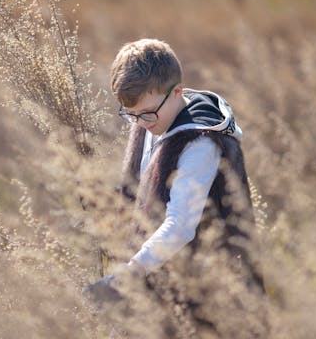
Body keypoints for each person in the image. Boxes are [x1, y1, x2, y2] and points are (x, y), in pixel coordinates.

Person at [84, 38, 264, 309]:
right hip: (159, 282)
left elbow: (180, 226)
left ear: (177, 91)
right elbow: (146, 188)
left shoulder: (200, 143)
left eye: (146, 114)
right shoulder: (153, 119)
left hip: (207, 292)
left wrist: (127, 277)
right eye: (131, 115)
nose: (141, 123)